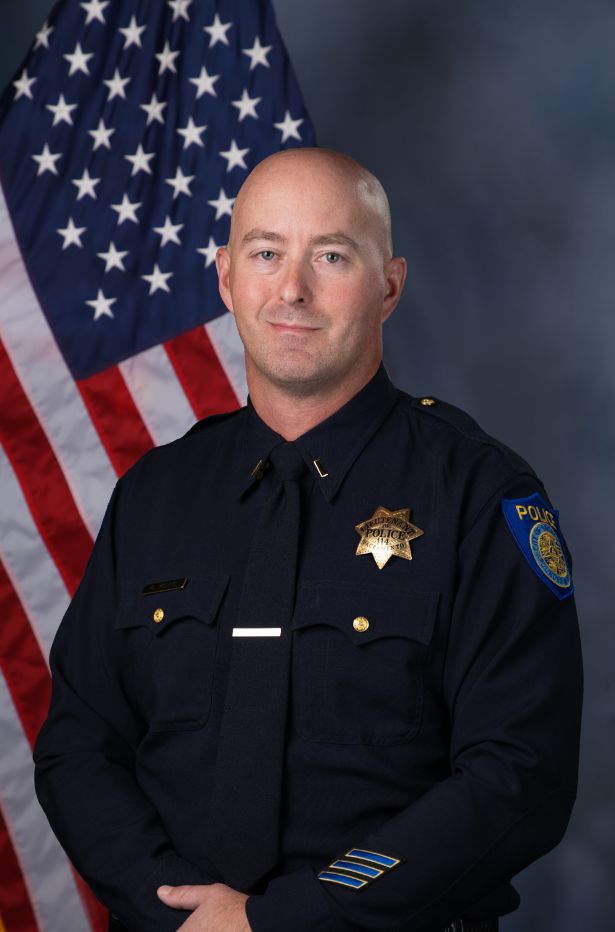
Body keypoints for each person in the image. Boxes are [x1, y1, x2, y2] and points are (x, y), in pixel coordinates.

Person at [34, 148, 583, 932]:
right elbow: (79, 746)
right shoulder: (156, 496)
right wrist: (179, 913)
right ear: (225, 277)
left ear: (389, 285)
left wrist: (287, 919)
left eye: (330, 255)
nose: (291, 289)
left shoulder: (478, 493)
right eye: (266, 253)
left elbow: (517, 778)